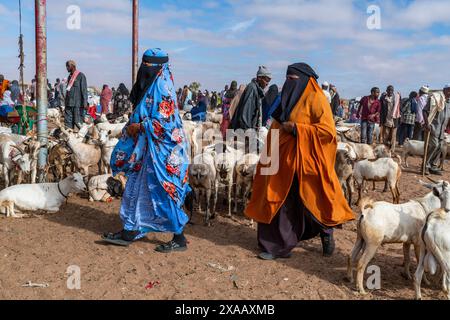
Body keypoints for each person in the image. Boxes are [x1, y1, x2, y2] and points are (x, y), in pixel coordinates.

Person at [246, 63, 355, 260]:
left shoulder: (317, 99)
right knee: (282, 200)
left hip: (309, 162)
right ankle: (277, 246)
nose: (289, 83)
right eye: (287, 79)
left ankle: (326, 233)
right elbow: (277, 127)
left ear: (305, 80)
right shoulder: (286, 99)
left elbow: (327, 132)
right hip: (283, 163)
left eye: (293, 80)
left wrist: (297, 129)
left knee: (314, 199)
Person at [103, 48, 191, 253]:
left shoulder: (162, 86)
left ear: (157, 68)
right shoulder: (154, 83)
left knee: (164, 191)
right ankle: (130, 230)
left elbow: (166, 122)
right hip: (146, 150)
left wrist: (141, 127)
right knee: (135, 188)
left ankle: (179, 237)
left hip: (163, 151)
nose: (144, 70)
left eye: (148, 66)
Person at [230, 66, 271, 131]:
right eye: (266, 80)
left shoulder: (257, 90)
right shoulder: (252, 88)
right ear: (259, 78)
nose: (267, 84)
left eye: (269, 81)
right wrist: (248, 133)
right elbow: (245, 115)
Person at [423, 85, 450, 176]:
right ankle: (425, 166)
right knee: (433, 146)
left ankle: (433, 166)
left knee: (440, 147)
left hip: (442, 129)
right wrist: (427, 124)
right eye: (449, 90)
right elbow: (424, 111)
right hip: (432, 127)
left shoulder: (449, 102)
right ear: (444, 90)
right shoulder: (435, 98)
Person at [64, 60, 88, 130]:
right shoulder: (69, 77)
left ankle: (80, 138)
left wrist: (85, 103)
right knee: (68, 122)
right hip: (68, 103)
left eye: (68, 66)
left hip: (77, 104)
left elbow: (84, 90)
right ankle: (69, 136)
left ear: (72, 66)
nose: (67, 68)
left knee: (78, 122)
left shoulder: (81, 76)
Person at [380, 85, 401, 151]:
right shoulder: (383, 98)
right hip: (386, 119)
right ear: (386, 91)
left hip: (394, 120)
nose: (390, 91)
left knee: (393, 136)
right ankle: (385, 149)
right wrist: (381, 121)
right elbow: (381, 110)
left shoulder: (396, 99)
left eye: (391, 90)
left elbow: (400, 109)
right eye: (389, 90)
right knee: (385, 136)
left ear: (393, 91)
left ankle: (392, 150)